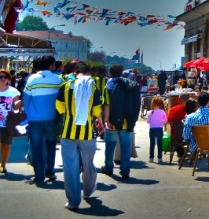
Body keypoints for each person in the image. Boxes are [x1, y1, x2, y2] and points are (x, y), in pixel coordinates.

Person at [56, 62, 103, 210]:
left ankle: (73, 202)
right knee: (88, 164)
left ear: (76, 72)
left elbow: (59, 108)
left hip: (68, 133)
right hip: (87, 134)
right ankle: (88, 192)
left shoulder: (65, 86)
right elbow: (96, 111)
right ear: (88, 73)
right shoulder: (93, 86)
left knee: (70, 168)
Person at [21, 55, 61, 183]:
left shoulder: (32, 79)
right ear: (51, 65)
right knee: (50, 146)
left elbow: (26, 99)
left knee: (36, 147)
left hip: (35, 119)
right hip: (52, 118)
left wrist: (28, 113)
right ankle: (50, 171)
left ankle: (39, 176)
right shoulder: (58, 80)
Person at [101, 64, 141, 180]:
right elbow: (137, 104)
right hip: (127, 121)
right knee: (125, 146)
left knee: (110, 146)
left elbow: (107, 104)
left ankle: (108, 167)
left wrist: (106, 120)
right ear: (122, 73)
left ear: (110, 73)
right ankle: (125, 171)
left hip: (113, 121)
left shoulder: (109, 85)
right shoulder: (132, 85)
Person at [183, 91, 209, 156]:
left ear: (198, 103)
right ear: (208, 102)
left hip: (196, 145)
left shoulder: (189, 117)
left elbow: (186, 136)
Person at [0, 69, 22, 175]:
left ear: (8, 78)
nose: (2, 79)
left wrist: (18, 103)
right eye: (0, 77)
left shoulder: (13, 91)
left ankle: (3, 165)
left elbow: (16, 106)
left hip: (8, 122)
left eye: (5, 77)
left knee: (6, 144)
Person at [146, 95, 168, 163]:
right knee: (159, 144)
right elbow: (165, 121)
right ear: (161, 104)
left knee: (152, 144)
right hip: (159, 128)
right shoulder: (162, 112)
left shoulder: (149, 112)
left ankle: (151, 158)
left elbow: (148, 121)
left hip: (152, 129)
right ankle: (160, 158)